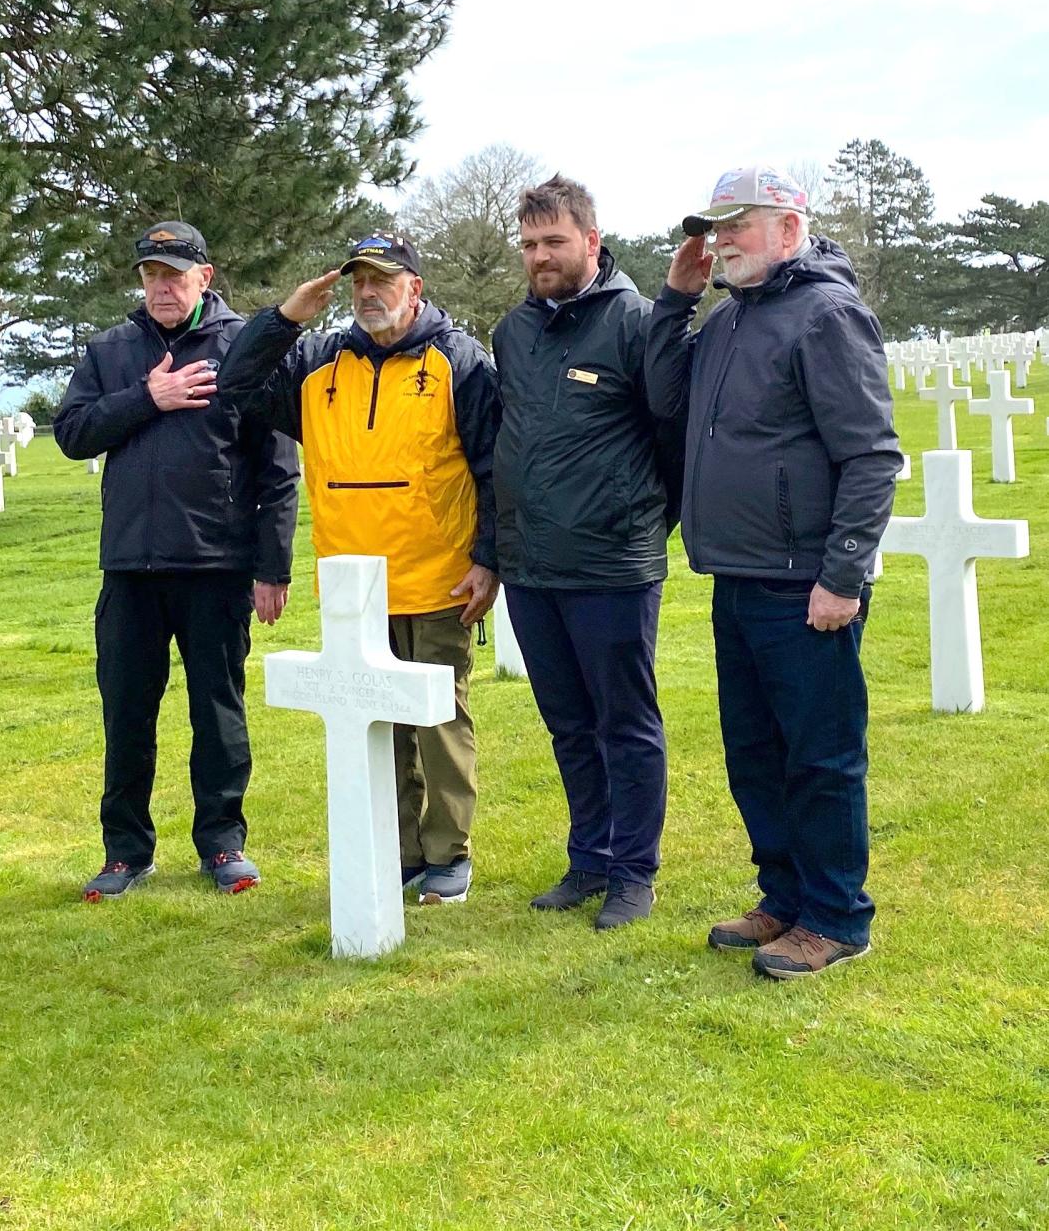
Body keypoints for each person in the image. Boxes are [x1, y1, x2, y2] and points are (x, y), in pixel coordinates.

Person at [644, 165, 903, 979]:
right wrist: (676, 302)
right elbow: (666, 400)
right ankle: (783, 895)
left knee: (820, 754)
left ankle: (836, 915)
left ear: (789, 229)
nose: (720, 241)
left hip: (806, 585)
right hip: (738, 574)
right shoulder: (725, 321)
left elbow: (870, 455)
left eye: (737, 226)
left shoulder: (826, 315)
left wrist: (845, 575)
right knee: (755, 750)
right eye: (714, 228)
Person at [213, 231, 500, 905]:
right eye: (358, 282)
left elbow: (493, 468)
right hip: (353, 585)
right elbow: (236, 382)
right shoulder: (316, 361)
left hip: (437, 578)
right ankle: (399, 851)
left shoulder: (459, 360)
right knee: (376, 727)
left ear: (414, 288)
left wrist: (488, 560)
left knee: (438, 723)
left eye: (383, 280)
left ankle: (447, 853)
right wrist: (287, 317)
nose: (368, 293)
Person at [54, 220, 300, 901]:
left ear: (205, 276)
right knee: (126, 712)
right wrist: (147, 397)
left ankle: (223, 842)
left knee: (218, 710)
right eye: (150, 274)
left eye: (174, 273)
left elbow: (279, 469)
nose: (161, 286)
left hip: (215, 566)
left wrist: (271, 568)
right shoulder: (111, 351)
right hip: (131, 567)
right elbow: (72, 432)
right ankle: (125, 850)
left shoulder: (241, 348)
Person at [492, 174, 683, 931]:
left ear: (591, 242)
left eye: (554, 241)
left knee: (624, 722)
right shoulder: (514, 332)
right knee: (568, 724)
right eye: (530, 243)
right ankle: (590, 858)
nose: (540, 255)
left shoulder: (635, 323)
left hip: (611, 564)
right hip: (533, 567)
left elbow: (669, 434)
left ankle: (635, 871)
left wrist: (638, 522)